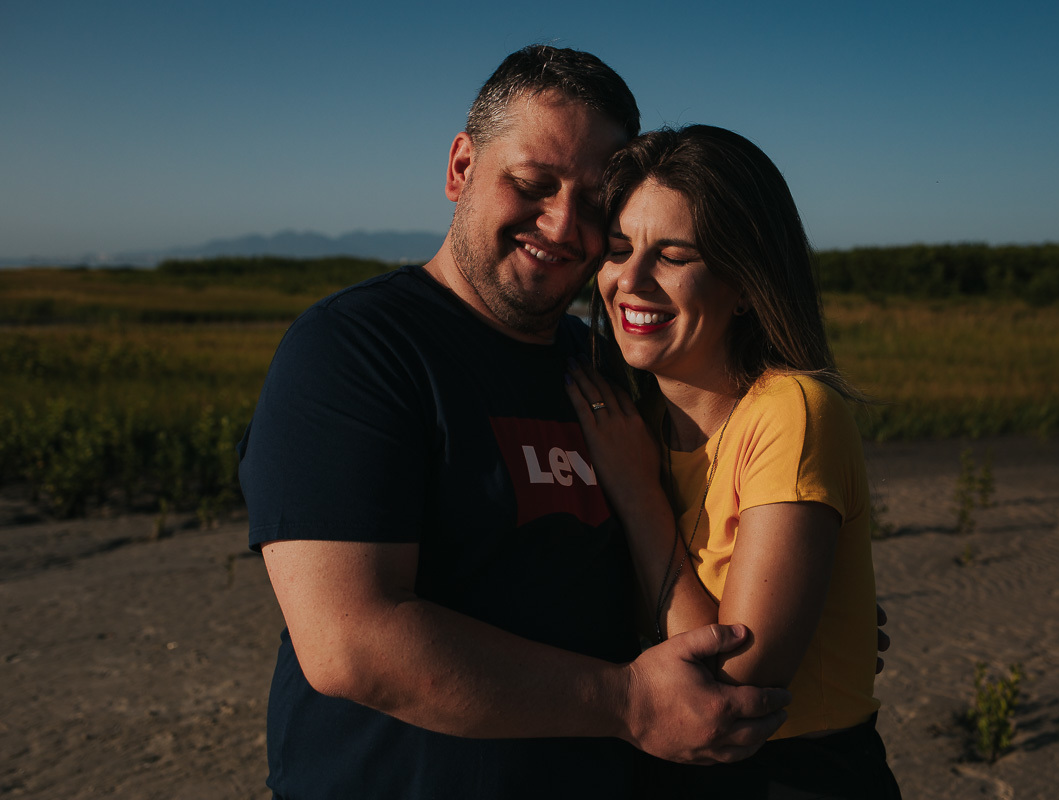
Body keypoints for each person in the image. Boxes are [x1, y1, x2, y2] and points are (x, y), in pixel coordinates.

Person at [236, 46, 794, 799]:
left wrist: (798, 607)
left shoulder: (605, 365)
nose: (562, 225)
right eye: (532, 184)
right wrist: (629, 702)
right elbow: (349, 642)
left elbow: (683, 553)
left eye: (595, 204)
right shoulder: (355, 351)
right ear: (461, 168)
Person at [564, 125, 902, 798]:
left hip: (794, 777)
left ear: (745, 282)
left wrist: (637, 494)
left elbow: (726, 689)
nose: (630, 281)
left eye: (673, 255)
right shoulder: (633, 419)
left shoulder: (792, 412)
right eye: (621, 249)